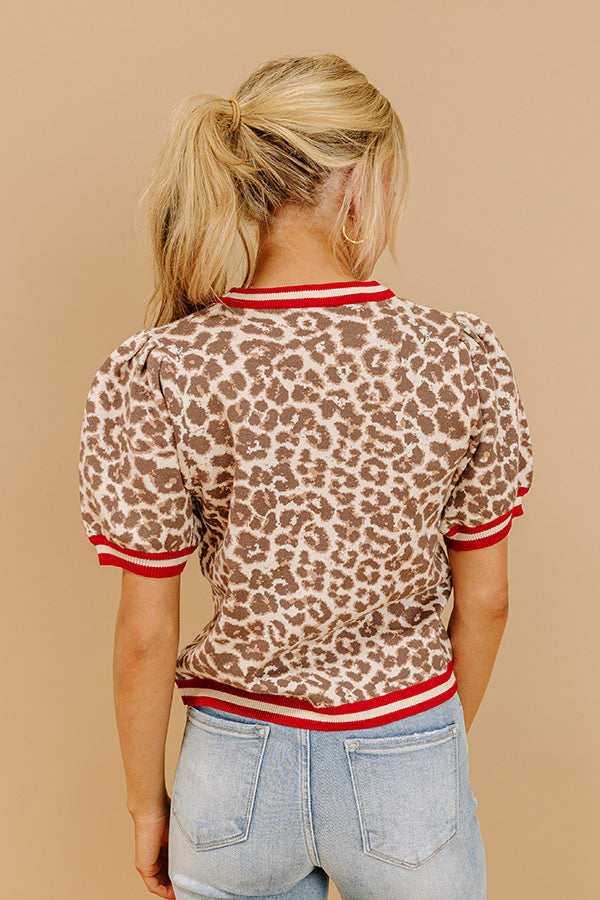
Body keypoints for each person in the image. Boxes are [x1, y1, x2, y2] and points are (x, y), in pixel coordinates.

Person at [78, 52, 534, 900]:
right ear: (361, 181)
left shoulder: (163, 367)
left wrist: (147, 807)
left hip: (232, 775)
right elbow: (488, 601)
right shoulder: (458, 356)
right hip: (405, 748)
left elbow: (145, 631)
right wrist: (428, 754)